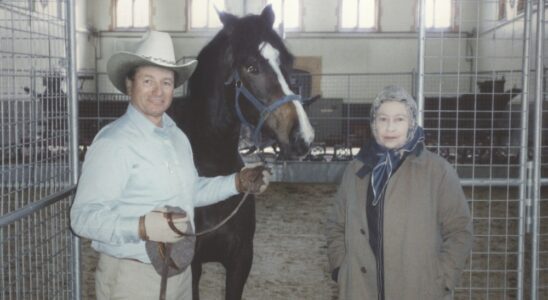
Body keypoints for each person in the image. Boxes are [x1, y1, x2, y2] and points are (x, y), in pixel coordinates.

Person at [70, 30, 270, 300]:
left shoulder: (176, 136)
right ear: (130, 84)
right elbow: (82, 219)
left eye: (166, 82)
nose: (158, 91)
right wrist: (142, 227)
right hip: (133, 279)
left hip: (180, 274)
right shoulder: (113, 142)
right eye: (148, 80)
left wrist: (237, 182)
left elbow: (190, 191)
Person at [326, 85, 473, 300]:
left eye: (399, 119)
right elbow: (336, 225)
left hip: (419, 290)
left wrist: (441, 280)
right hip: (360, 290)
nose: (390, 127)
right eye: (383, 119)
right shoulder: (356, 169)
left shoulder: (437, 171)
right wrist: (341, 269)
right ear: (373, 124)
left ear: (411, 123)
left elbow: (460, 231)